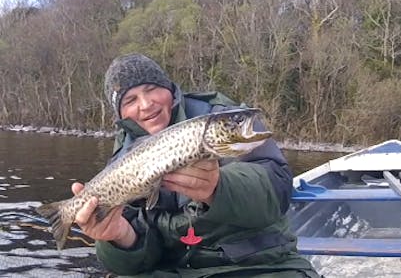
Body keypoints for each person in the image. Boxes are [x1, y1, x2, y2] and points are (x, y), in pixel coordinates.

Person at [71, 53, 319, 277]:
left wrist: (220, 187)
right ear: (121, 114)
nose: (146, 104)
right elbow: (139, 261)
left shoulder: (224, 120)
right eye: (131, 100)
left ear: (169, 89)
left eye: (151, 89)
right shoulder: (121, 161)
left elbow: (277, 189)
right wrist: (119, 238)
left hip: (260, 266)